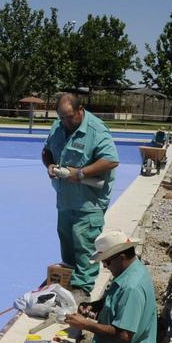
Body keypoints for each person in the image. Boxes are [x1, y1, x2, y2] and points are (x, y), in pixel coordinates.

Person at [41, 94, 119, 299]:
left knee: (84, 242)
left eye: (69, 117)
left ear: (80, 110)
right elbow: (47, 150)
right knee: (67, 241)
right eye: (62, 118)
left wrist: (81, 173)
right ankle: (68, 280)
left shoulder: (95, 129)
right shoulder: (58, 126)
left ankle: (82, 289)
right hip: (65, 198)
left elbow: (111, 160)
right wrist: (49, 164)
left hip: (88, 201)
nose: (65, 122)